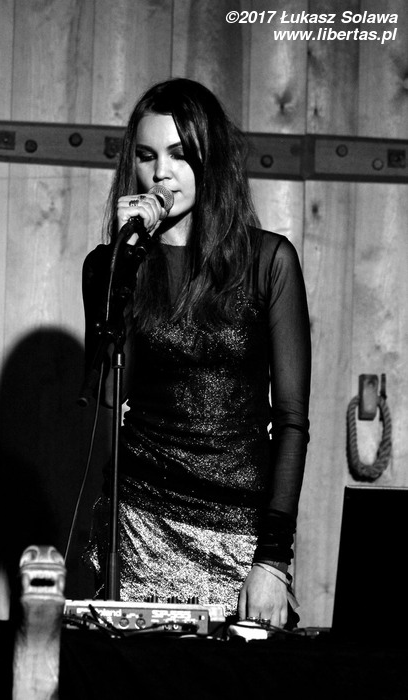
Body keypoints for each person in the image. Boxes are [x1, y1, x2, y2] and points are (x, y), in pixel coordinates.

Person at [82, 78, 311, 630]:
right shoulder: (112, 265)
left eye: (179, 154)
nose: (160, 173)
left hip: (241, 532)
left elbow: (292, 420)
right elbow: (110, 396)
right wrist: (122, 267)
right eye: (146, 156)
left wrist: (273, 559)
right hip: (140, 520)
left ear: (211, 160)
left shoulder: (269, 261)